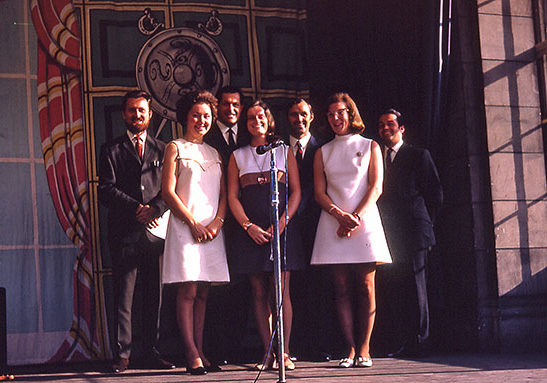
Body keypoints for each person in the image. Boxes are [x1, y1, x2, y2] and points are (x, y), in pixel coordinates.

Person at [310, 92, 392, 369]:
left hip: (364, 222)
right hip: (333, 224)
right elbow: (319, 193)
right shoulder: (322, 151)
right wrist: (339, 216)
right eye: (331, 114)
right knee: (341, 288)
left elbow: (376, 187)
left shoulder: (371, 146)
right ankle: (350, 348)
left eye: (340, 112)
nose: (335, 118)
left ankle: (365, 349)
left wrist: (354, 217)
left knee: (367, 286)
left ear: (350, 113)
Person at [98, 90, 175, 373]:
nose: (137, 115)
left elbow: (171, 189)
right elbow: (105, 190)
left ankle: (151, 352)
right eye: (132, 110)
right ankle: (123, 355)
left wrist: (153, 208)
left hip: (156, 232)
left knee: (154, 295)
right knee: (124, 296)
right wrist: (136, 209)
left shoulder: (164, 149)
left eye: (142, 110)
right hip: (124, 233)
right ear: (124, 114)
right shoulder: (111, 149)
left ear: (150, 114)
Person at [227, 100, 303, 370]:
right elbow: (232, 197)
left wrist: (282, 222)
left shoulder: (283, 151)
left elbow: (296, 192)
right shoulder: (237, 156)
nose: (255, 120)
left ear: (269, 120)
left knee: (281, 291)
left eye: (261, 116)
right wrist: (248, 226)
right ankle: (267, 352)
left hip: (281, 231)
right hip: (251, 234)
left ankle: (285, 352)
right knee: (259, 291)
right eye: (250, 117)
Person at [161, 90, 230, 375]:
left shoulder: (214, 153)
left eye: (207, 116)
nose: (202, 121)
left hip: (211, 230)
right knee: (188, 289)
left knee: (203, 291)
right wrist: (192, 223)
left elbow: (225, 195)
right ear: (185, 117)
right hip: (185, 228)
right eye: (196, 115)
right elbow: (167, 192)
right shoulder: (175, 147)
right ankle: (190, 352)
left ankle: (201, 349)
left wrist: (216, 223)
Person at [376, 108, 443, 357]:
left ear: (401, 128)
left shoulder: (418, 155)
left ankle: (421, 343)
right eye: (381, 125)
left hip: (415, 232)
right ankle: (403, 341)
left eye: (390, 123)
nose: (385, 128)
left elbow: (435, 194)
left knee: (418, 289)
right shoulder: (378, 157)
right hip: (390, 235)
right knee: (397, 289)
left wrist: (426, 225)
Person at [204, 86, 250, 166]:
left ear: (241, 108)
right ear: (217, 106)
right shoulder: (206, 134)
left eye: (235, 105)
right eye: (226, 104)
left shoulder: (249, 133)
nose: (231, 109)